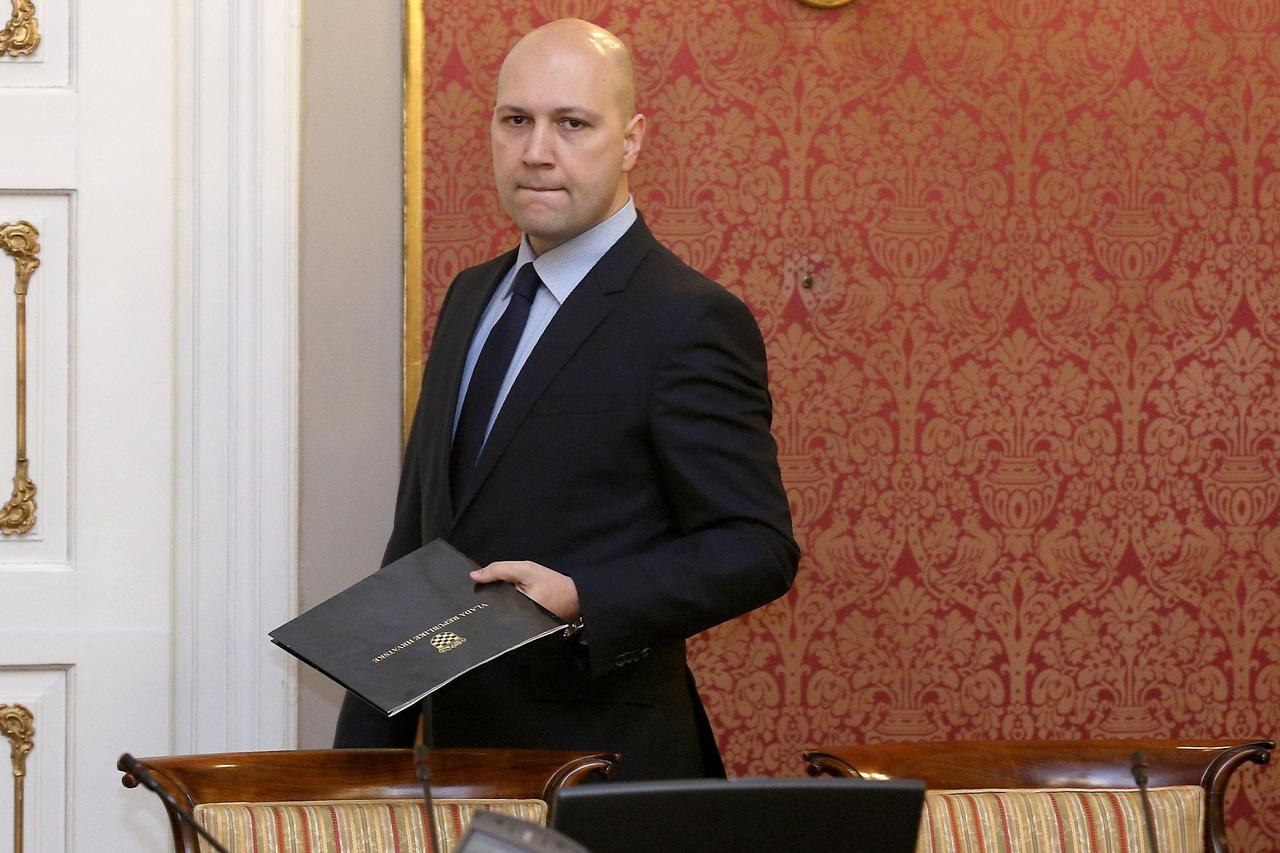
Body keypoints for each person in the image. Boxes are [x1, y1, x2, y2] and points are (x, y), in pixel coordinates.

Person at [334, 18, 799, 781]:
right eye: (516, 120)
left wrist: (585, 595)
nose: (537, 151)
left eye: (572, 124)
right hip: (458, 772)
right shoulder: (470, 296)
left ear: (632, 140)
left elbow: (757, 547)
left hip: (606, 775)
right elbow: (416, 543)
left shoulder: (687, 319)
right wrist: (353, 777)